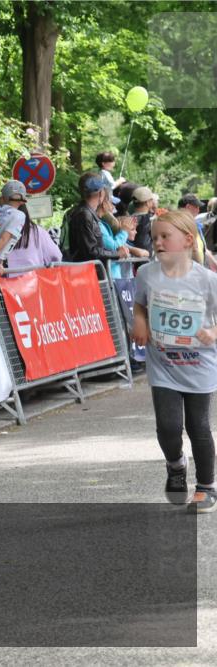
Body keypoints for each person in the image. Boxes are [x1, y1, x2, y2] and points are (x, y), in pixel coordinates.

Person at [132, 210, 217, 512]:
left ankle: (206, 487)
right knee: (168, 426)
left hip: (199, 366)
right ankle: (176, 464)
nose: (158, 242)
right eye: (155, 237)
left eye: (165, 236)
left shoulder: (207, 280)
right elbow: (140, 304)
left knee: (198, 426)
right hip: (163, 364)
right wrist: (139, 322)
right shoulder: (146, 274)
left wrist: (211, 331)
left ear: (186, 239)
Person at [66, 175, 130, 264]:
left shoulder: (84, 213)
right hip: (87, 273)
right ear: (101, 193)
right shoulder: (84, 215)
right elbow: (91, 252)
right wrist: (117, 254)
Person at [6, 204, 62, 269]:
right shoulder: (38, 231)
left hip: (4, 277)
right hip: (34, 276)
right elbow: (56, 256)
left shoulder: (0, 233)